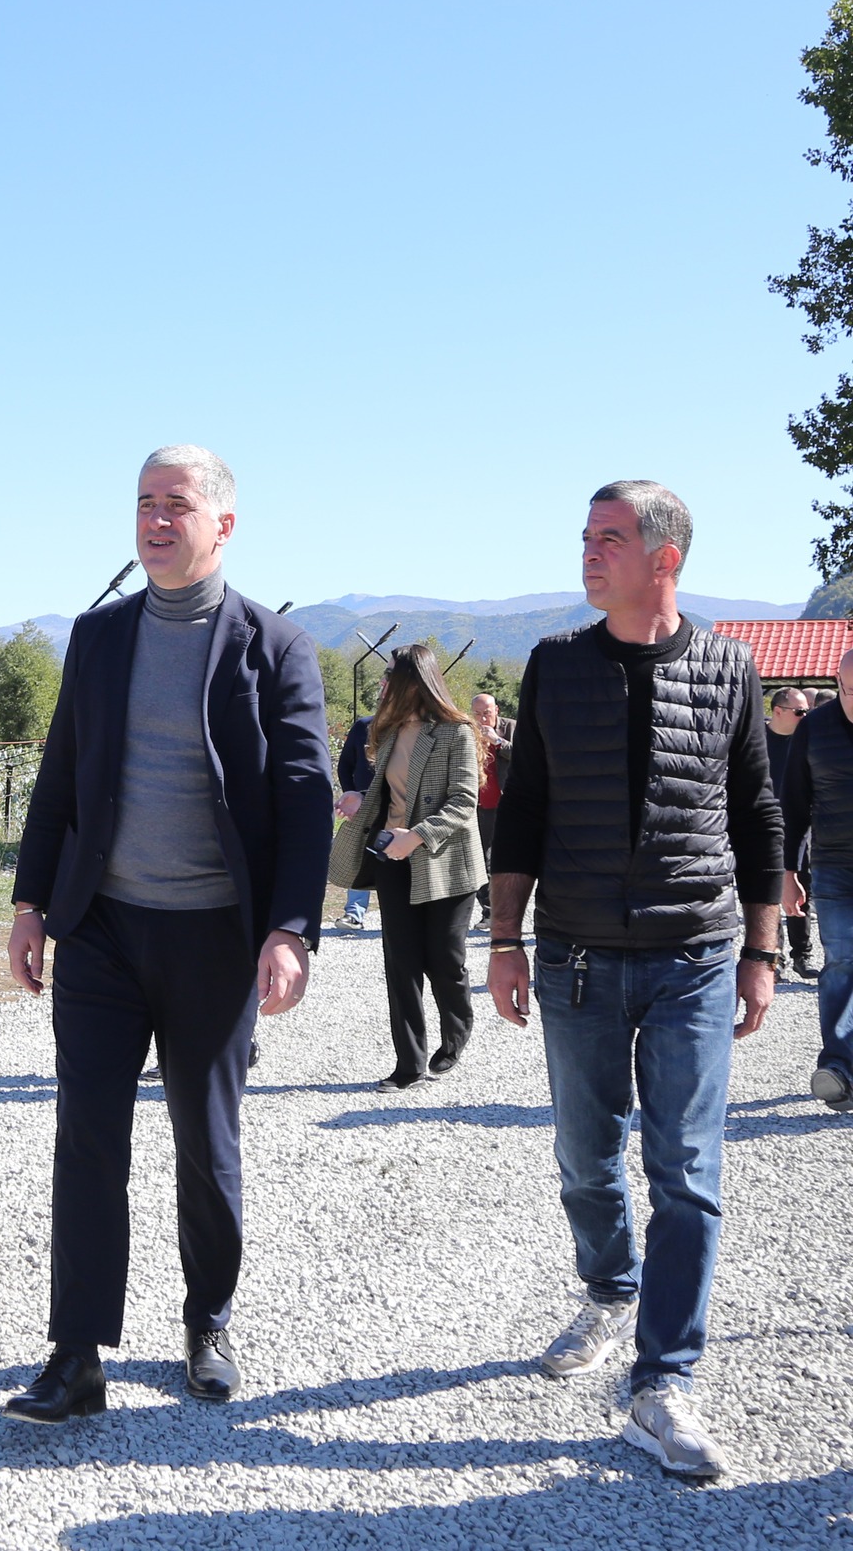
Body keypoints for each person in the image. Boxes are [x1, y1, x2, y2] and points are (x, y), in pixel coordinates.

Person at [1, 444, 330, 1423]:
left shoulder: (274, 647)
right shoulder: (99, 635)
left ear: (221, 523)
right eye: (143, 501)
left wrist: (288, 927)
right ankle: (75, 1354)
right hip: (101, 927)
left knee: (205, 1139)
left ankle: (207, 1320)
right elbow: (61, 773)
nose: (154, 518)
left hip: (213, 938)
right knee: (87, 1136)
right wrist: (29, 903)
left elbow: (306, 797)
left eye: (174, 503)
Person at [487, 480, 781, 1482]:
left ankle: (662, 1382)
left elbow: (757, 814)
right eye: (584, 535)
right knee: (584, 1156)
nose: (587, 551)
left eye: (607, 537)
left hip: (693, 955)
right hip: (574, 954)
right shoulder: (555, 663)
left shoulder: (729, 666)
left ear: (665, 558)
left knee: (686, 1171)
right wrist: (503, 939)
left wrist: (760, 952)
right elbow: (523, 808)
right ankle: (609, 1288)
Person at [329, 645, 486, 1090]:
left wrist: (416, 835)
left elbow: (464, 801)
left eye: (389, 675)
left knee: (444, 959)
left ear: (414, 681)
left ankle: (456, 1031)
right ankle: (409, 1065)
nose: (382, 683)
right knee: (401, 962)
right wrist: (360, 797)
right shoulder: (388, 730)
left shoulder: (456, 731)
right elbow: (387, 792)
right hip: (392, 860)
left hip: (446, 863)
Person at [776, 659, 853, 1110]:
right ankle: (839, 1068)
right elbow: (793, 805)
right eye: (850, 691)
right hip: (835, 866)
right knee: (841, 962)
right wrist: (788, 873)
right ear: (837, 682)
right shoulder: (814, 729)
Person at [766, 686, 822, 978]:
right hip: (763, 829)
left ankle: (802, 954)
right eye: (800, 712)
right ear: (778, 711)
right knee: (766, 896)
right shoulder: (756, 742)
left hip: (799, 828)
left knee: (802, 892)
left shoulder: (808, 742)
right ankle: (772, 958)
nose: (805, 717)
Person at [472, 693, 514, 923]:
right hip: (478, 805)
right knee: (479, 859)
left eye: (486, 713)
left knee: (504, 859)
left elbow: (527, 757)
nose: (482, 719)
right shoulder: (469, 731)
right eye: (477, 714)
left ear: (496, 710)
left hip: (508, 804)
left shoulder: (512, 728)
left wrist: (498, 741)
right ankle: (490, 910)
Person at [334, 710, 376, 929]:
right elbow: (345, 765)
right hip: (362, 806)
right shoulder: (362, 727)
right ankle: (354, 913)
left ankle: (399, 916)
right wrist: (351, 795)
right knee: (359, 857)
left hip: (398, 806)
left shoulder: (411, 727)